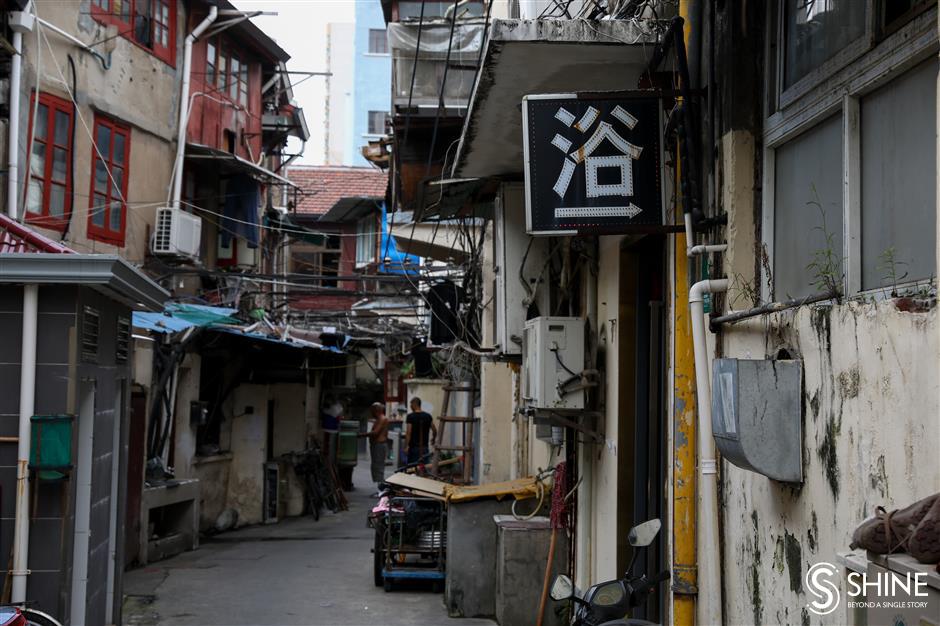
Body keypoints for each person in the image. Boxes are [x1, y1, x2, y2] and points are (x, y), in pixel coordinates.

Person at [359, 402, 390, 494]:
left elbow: (375, 432)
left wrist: (362, 435)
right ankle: (379, 489)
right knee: (376, 467)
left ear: (376, 410)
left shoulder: (382, 419)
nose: (371, 412)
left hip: (379, 445)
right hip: (376, 445)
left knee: (378, 467)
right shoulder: (378, 419)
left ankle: (381, 490)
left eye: (372, 410)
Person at [404, 397, 436, 465]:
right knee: (424, 468)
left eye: (411, 405)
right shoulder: (428, 416)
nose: (410, 407)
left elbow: (408, 433)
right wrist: (433, 438)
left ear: (414, 404)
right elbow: (434, 429)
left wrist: (406, 446)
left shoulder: (410, 417)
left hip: (414, 448)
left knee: (412, 469)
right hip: (424, 447)